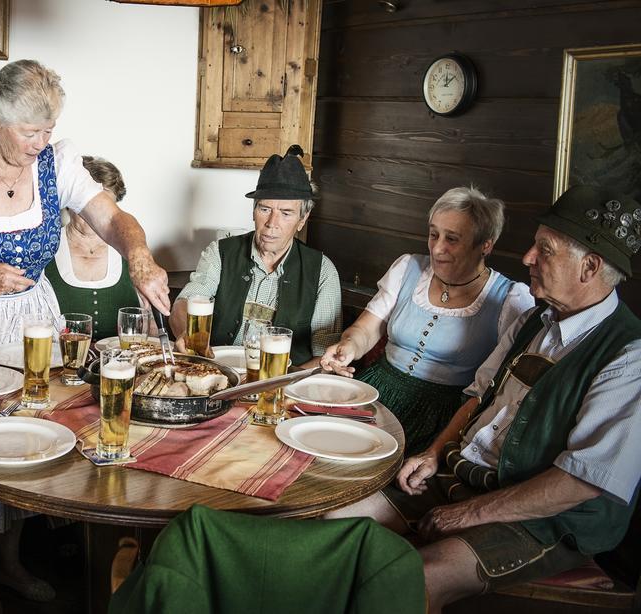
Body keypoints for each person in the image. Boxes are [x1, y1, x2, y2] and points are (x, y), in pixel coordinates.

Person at [0, 59, 170, 612]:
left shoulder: (59, 160)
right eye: (29, 131)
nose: (41, 143)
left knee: (27, 430)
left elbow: (115, 220)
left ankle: (11, 562)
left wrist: (138, 256)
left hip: (31, 316)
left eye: (48, 129)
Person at [324, 185, 641, 613]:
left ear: (590, 267)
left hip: (544, 519)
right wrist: (435, 453)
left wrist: (469, 514)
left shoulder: (627, 355)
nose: (528, 257)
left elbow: (583, 480)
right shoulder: (536, 319)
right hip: (465, 476)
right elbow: (479, 395)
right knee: (334, 525)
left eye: (543, 250)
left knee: (412, 577)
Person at [320, 187, 534, 455]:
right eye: (434, 234)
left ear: (485, 245)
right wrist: (349, 347)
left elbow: (498, 387)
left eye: (452, 239)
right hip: (376, 391)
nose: (438, 248)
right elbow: (367, 328)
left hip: (442, 416)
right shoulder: (407, 267)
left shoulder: (510, 299)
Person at [170, 145, 342, 368]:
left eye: (286, 213)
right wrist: (186, 332)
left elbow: (324, 359)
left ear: (303, 218)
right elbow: (183, 304)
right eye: (264, 209)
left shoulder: (322, 271)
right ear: (253, 211)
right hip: (218, 374)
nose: (272, 223)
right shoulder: (220, 253)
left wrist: (282, 384)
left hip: (282, 386)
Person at [44, 156, 149, 340]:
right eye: (88, 206)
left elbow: (151, 325)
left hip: (123, 364)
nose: (95, 216)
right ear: (69, 202)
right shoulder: (46, 246)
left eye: (105, 207)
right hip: (60, 363)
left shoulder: (132, 249)